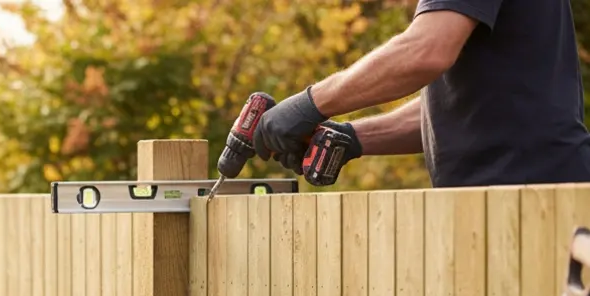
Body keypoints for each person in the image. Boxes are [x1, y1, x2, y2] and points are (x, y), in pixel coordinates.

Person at [252, 0, 590, 188]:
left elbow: (426, 51)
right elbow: (470, 103)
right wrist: (352, 138)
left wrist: (311, 103)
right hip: (519, 197)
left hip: (532, 200)